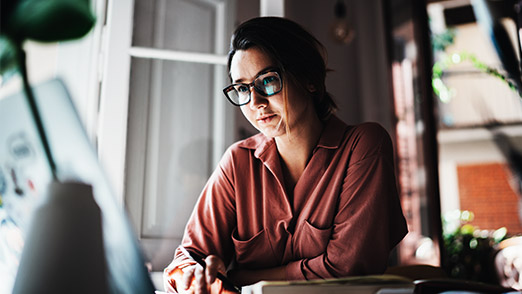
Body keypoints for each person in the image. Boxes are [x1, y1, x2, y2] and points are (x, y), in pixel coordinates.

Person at [163, 16, 408, 294]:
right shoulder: (237, 162)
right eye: (242, 88)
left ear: (310, 79)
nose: (255, 102)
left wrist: (240, 277)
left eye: (267, 81)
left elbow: (346, 271)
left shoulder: (363, 146)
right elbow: (187, 257)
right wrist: (193, 274)